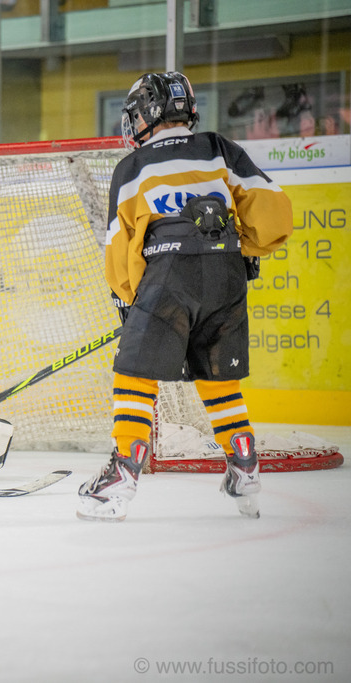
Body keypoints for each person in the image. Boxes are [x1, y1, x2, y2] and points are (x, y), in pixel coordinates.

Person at [78, 71, 294, 522]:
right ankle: (244, 465)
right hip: (227, 274)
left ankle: (122, 474)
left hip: (168, 273)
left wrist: (131, 296)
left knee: (134, 372)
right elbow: (272, 215)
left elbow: (121, 249)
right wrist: (242, 250)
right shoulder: (219, 148)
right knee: (217, 377)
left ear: (147, 115)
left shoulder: (132, 167)